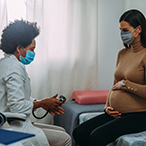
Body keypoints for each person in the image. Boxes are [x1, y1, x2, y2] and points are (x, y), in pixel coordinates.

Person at [73, 9, 146, 146]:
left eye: (125, 30)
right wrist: (107, 107)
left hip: (140, 114)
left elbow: (124, 85)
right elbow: (114, 86)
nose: (122, 34)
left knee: (98, 136)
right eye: (121, 30)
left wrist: (126, 84)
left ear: (139, 29)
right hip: (118, 112)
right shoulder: (122, 53)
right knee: (79, 132)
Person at [0, 20, 71, 146]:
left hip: (11, 121)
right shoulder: (14, 69)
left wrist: (41, 103)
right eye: (32, 49)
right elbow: (16, 106)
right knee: (65, 139)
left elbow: (16, 98)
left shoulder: (6, 63)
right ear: (19, 48)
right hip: (10, 125)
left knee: (61, 130)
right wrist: (42, 103)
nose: (33, 53)